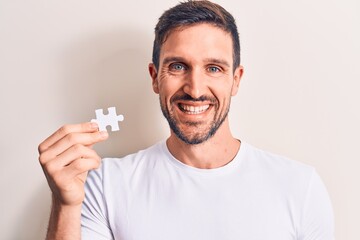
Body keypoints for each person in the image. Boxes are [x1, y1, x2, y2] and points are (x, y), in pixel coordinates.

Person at [38, 1, 334, 239]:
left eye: (214, 68)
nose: (195, 89)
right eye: (178, 66)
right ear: (155, 78)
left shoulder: (299, 187)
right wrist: (66, 205)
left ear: (236, 80)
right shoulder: (106, 183)